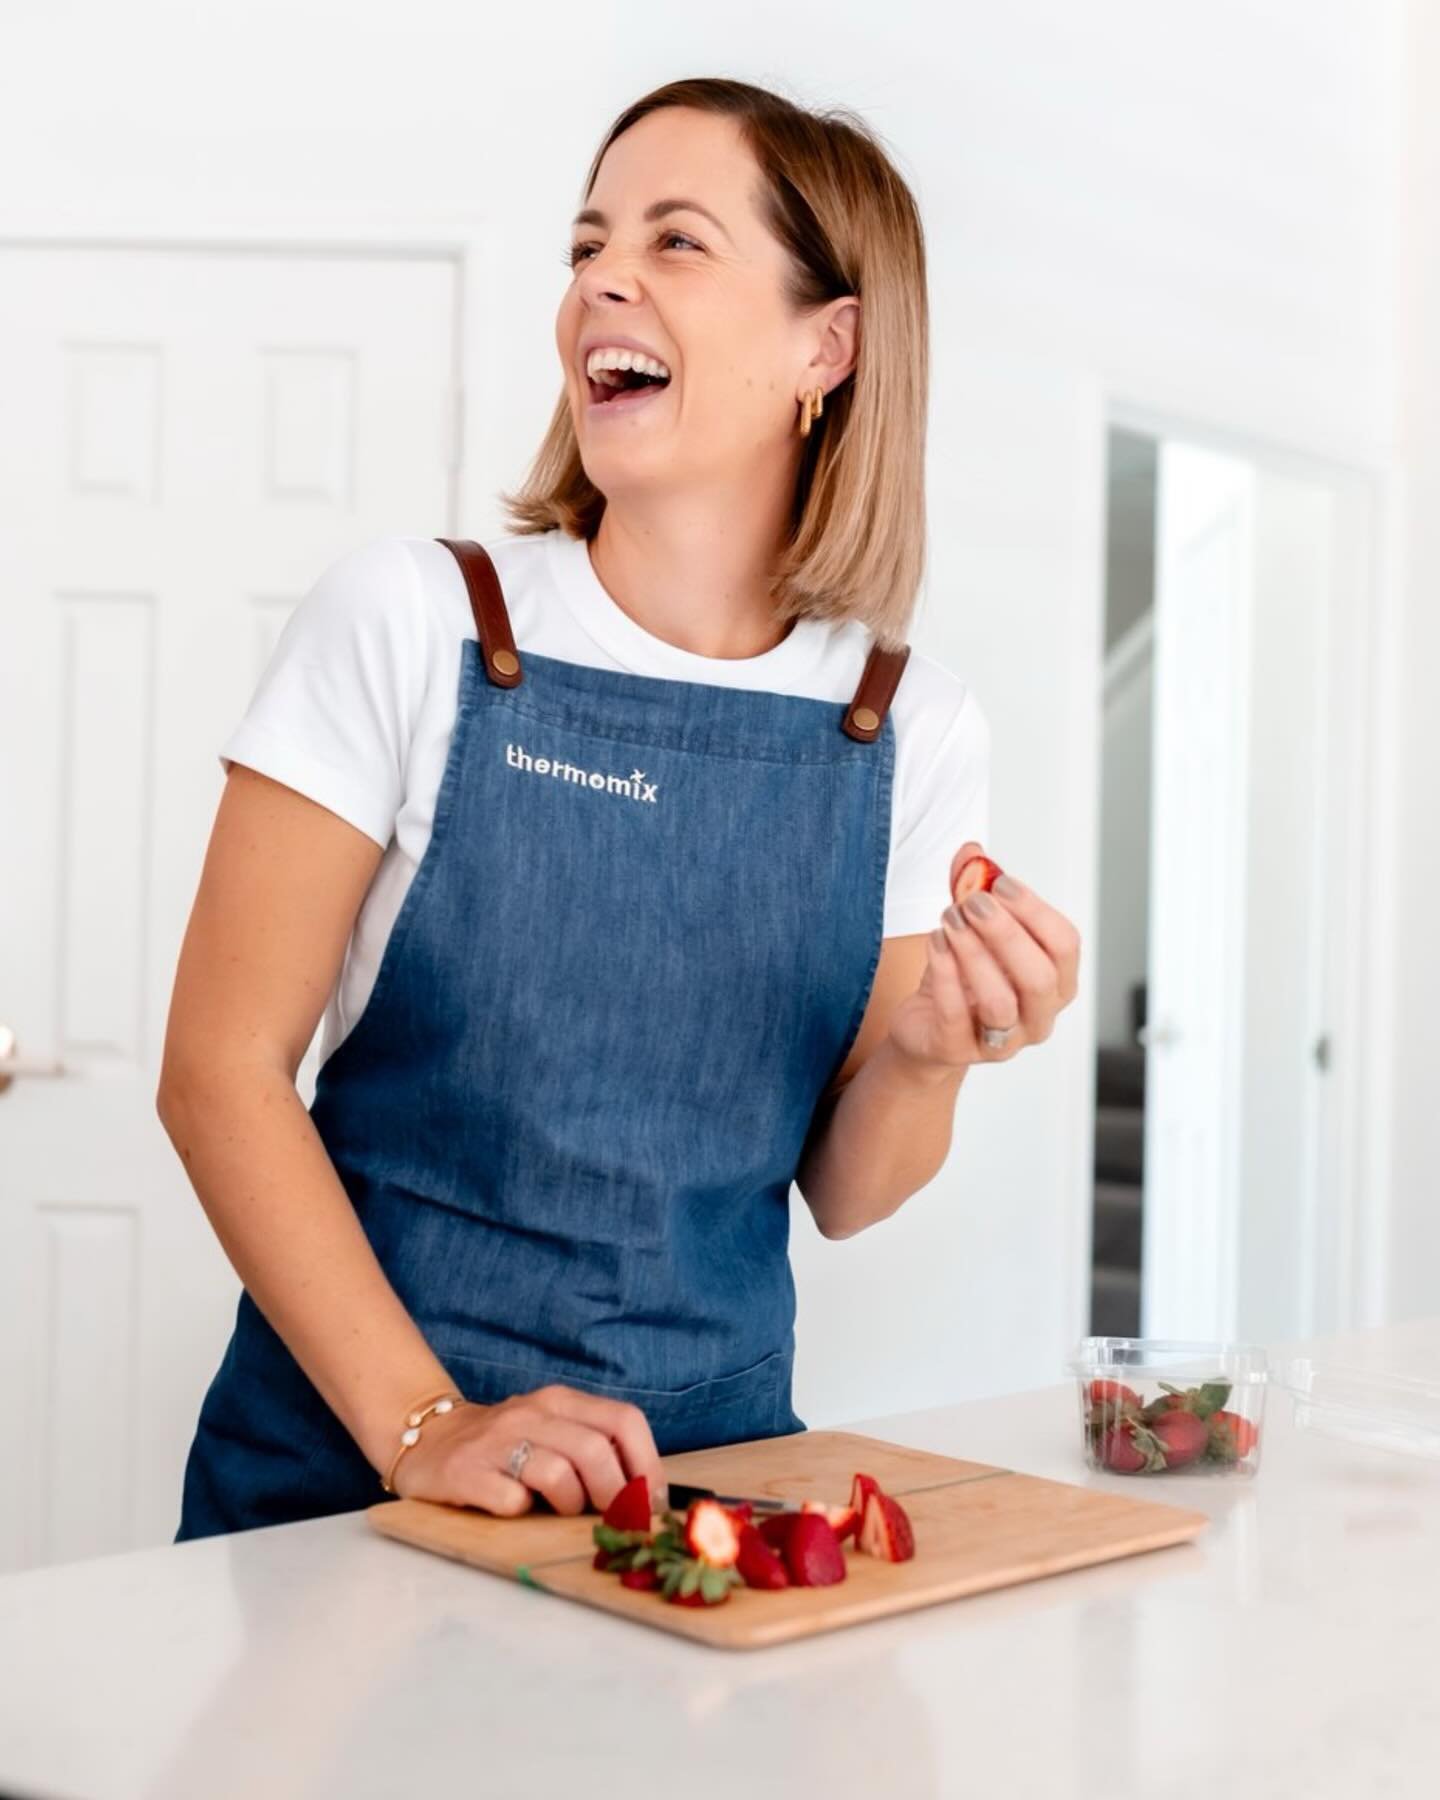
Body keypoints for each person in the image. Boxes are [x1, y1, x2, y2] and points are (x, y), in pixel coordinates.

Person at [158, 76, 1080, 1542]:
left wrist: (929, 1057)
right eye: (588, 243)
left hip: (702, 1509)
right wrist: (429, 1427)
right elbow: (218, 1071)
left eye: (675, 242)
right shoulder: (412, 623)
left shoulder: (908, 722)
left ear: (824, 346)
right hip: (351, 1490)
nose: (601, 280)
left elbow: (846, 1193)